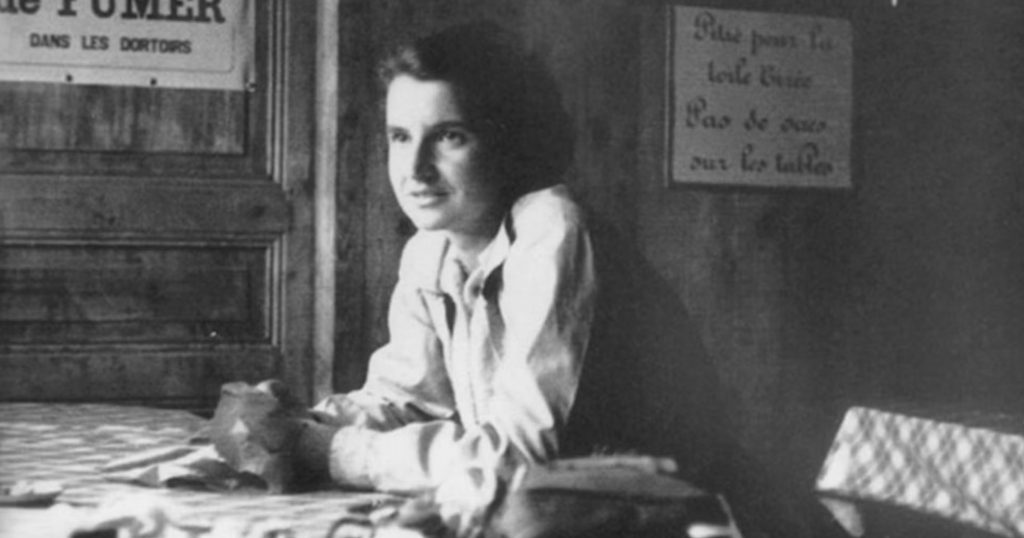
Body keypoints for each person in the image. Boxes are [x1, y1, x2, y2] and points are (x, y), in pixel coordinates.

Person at [212, 21, 844, 538]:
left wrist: (327, 450)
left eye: (449, 136)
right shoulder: (431, 251)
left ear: (512, 141)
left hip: (692, 518)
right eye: (400, 137)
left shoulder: (554, 229)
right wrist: (292, 421)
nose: (416, 168)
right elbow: (409, 400)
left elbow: (516, 460)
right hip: (555, 516)